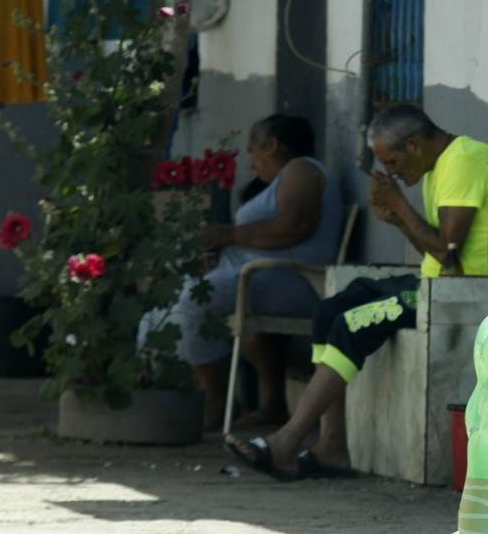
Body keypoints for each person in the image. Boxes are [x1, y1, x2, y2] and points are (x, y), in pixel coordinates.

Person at [224, 103, 488, 479]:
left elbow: (447, 252)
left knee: (353, 323)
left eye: (393, 161)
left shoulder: (464, 162)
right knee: (331, 310)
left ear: (414, 144)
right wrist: (398, 218)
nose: (391, 173)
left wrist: (400, 206)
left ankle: (286, 442)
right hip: (435, 286)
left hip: (467, 294)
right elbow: (433, 249)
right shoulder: (436, 167)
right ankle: (332, 446)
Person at [139, 114, 343, 431]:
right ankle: (236, 400)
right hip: (261, 277)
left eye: (252, 150)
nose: (251, 162)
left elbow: (295, 226)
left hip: (290, 281)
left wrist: (227, 236)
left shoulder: (301, 170)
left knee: (189, 303)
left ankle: (216, 400)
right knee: (163, 310)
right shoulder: (283, 179)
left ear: (272, 145)